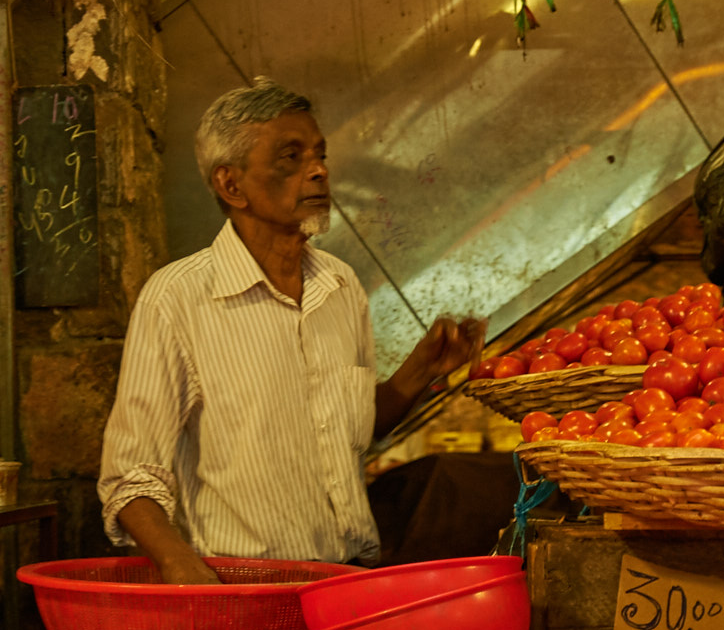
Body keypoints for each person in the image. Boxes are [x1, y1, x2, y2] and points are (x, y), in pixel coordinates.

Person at [98, 79, 482, 584]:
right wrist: (178, 562)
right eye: (290, 158)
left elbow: (342, 434)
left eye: (319, 155)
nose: (319, 170)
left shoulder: (340, 286)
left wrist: (418, 374)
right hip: (240, 587)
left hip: (344, 580)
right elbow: (131, 477)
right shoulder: (178, 298)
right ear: (231, 185)